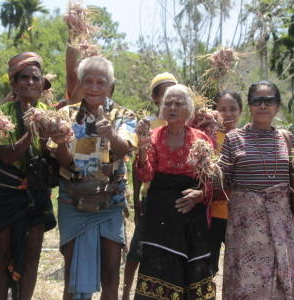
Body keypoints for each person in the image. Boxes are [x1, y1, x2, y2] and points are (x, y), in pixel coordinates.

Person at [218, 80, 294, 299]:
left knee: (279, 281)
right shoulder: (234, 138)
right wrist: (207, 169)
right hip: (245, 227)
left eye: (269, 100)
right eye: (257, 101)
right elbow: (223, 177)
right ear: (249, 105)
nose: (263, 105)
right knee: (246, 283)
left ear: (277, 105)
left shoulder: (286, 138)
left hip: (280, 224)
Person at [47, 55, 137, 300]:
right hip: (73, 201)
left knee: (110, 275)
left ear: (110, 85)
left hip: (110, 203)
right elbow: (63, 161)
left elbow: (125, 150)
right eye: (88, 81)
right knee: (72, 278)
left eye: (101, 82)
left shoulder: (123, 115)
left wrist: (111, 134)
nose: (94, 87)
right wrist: (60, 143)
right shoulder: (65, 115)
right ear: (80, 84)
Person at [0, 52, 57, 300]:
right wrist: (29, 134)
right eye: (23, 77)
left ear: (42, 84)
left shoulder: (50, 114)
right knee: (2, 253)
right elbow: (6, 157)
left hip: (37, 193)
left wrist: (47, 135)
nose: (30, 82)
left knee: (33, 254)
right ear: (14, 84)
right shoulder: (0, 115)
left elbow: (53, 154)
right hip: (7, 191)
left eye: (36, 78)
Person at [134, 84, 216, 300]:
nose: (172, 107)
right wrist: (142, 149)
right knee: (160, 268)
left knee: (192, 270)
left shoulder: (201, 140)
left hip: (191, 216)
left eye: (178, 104)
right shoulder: (153, 137)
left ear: (188, 110)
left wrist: (199, 195)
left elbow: (210, 179)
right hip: (161, 216)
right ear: (161, 108)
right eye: (168, 103)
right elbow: (146, 176)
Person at [122, 72, 177, 300]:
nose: (168, 99)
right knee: (138, 246)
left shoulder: (184, 122)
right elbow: (138, 163)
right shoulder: (147, 124)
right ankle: (126, 290)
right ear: (155, 97)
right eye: (163, 93)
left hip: (175, 197)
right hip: (150, 196)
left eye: (173, 93)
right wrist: (136, 199)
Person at [208, 90, 242, 276]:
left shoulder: (247, 138)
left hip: (239, 215)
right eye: (222, 109)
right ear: (214, 112)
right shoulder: (208, 137)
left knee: (239, 269)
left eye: (233, 109)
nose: (228, 114)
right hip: (212, 215)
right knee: (208, 268)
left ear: (241, 111)